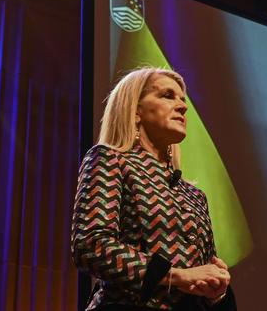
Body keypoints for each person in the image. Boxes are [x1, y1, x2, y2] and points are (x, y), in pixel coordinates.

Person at [71, 67, 235, 310]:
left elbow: (203, 274)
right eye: (168, 95)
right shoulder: (110, 159)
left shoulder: (195, 196)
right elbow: (91, 245)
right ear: (135, 110)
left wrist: (216, 291)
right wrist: (175, 275)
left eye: (183, 100)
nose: (183, 107)